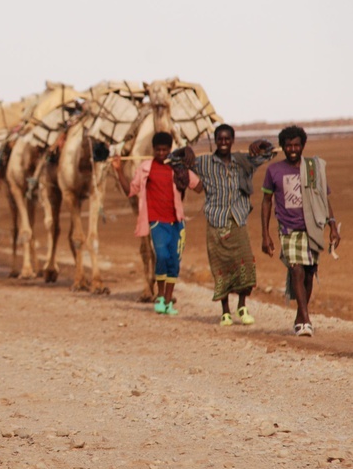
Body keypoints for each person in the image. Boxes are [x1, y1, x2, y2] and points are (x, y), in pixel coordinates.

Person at [181, 124, 274, 327]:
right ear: (215, 140)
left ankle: (242, 306)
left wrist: (261, 143)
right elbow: (175, 160)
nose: (223, 143)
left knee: (246, 265)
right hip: (216, 221)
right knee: (221, 268)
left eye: (227, 139)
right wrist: (185, 151)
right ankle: (225, 311)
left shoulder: (242, 161)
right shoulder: (204, 162)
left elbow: (268, 153)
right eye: (220, 139)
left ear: (232, 140)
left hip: (238, 219)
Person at [260, 125, 340, 337]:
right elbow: (266, 202)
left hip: (312, 227)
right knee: (296, 269)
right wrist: (265, 234)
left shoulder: (313, 169)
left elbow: (324, 198)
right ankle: (306, 319)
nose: (293, 149)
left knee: (309, 273)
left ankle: (299, 314)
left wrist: (333, 225)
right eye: (288, 145)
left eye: (296, 145)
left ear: (303, 145)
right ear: (283, 147)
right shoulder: (273, 171)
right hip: (288, 229)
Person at [112, 132, 202, 315]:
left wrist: (190, 166)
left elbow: (199, 187)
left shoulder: (177, 167)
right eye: (158, 150)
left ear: (170, 150)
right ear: (153, 150)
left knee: (174, 262)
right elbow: (130, 190)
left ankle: (168, 301)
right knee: (161, 256)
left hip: (177, 222)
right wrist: (118, 169)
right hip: (156, 222)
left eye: (165, 150)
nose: (161, 153)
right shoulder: (145, 168)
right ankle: (160, 296)